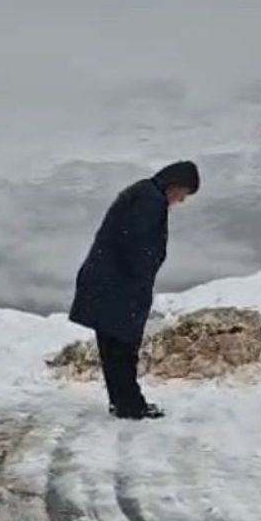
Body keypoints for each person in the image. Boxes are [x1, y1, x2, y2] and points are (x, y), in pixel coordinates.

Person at [69, 161, 200, 420]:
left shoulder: (144, 193)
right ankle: (130, 406)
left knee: (113, 347)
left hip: (107, 282)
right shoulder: (150, 201)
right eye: (184, 193)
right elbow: (137, 246)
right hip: (118, 285)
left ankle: (123, 403)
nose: (182, 200)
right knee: (122, 347)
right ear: (175, 185)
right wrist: (142, 277)